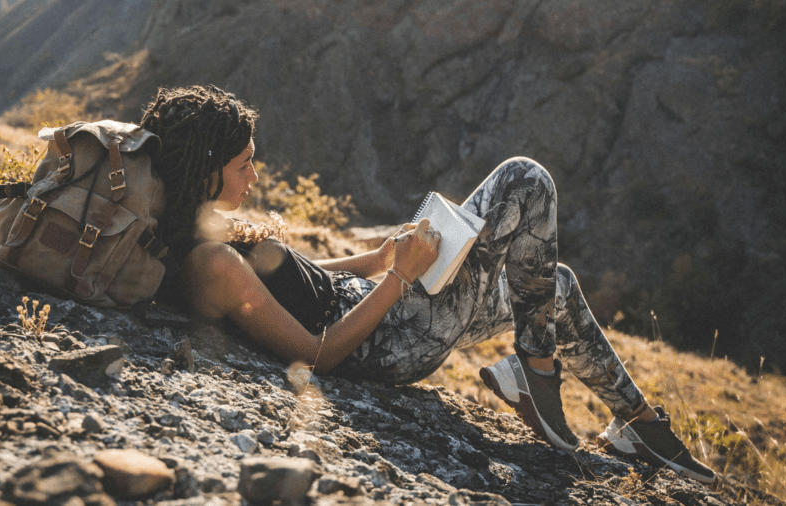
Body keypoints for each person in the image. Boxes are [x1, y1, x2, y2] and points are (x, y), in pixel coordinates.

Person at [140, 84, 716, 484]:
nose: (254, 176)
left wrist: (381, 257)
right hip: (390, 338)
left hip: (385, 306)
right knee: (525, 179)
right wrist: (399, 278)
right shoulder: (209, 264)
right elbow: (317, 355)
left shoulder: (207, 234)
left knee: (552, 284)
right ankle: (537, 372)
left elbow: (308, 283)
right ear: (205, 168)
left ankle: (639, 426)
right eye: (244, 164)